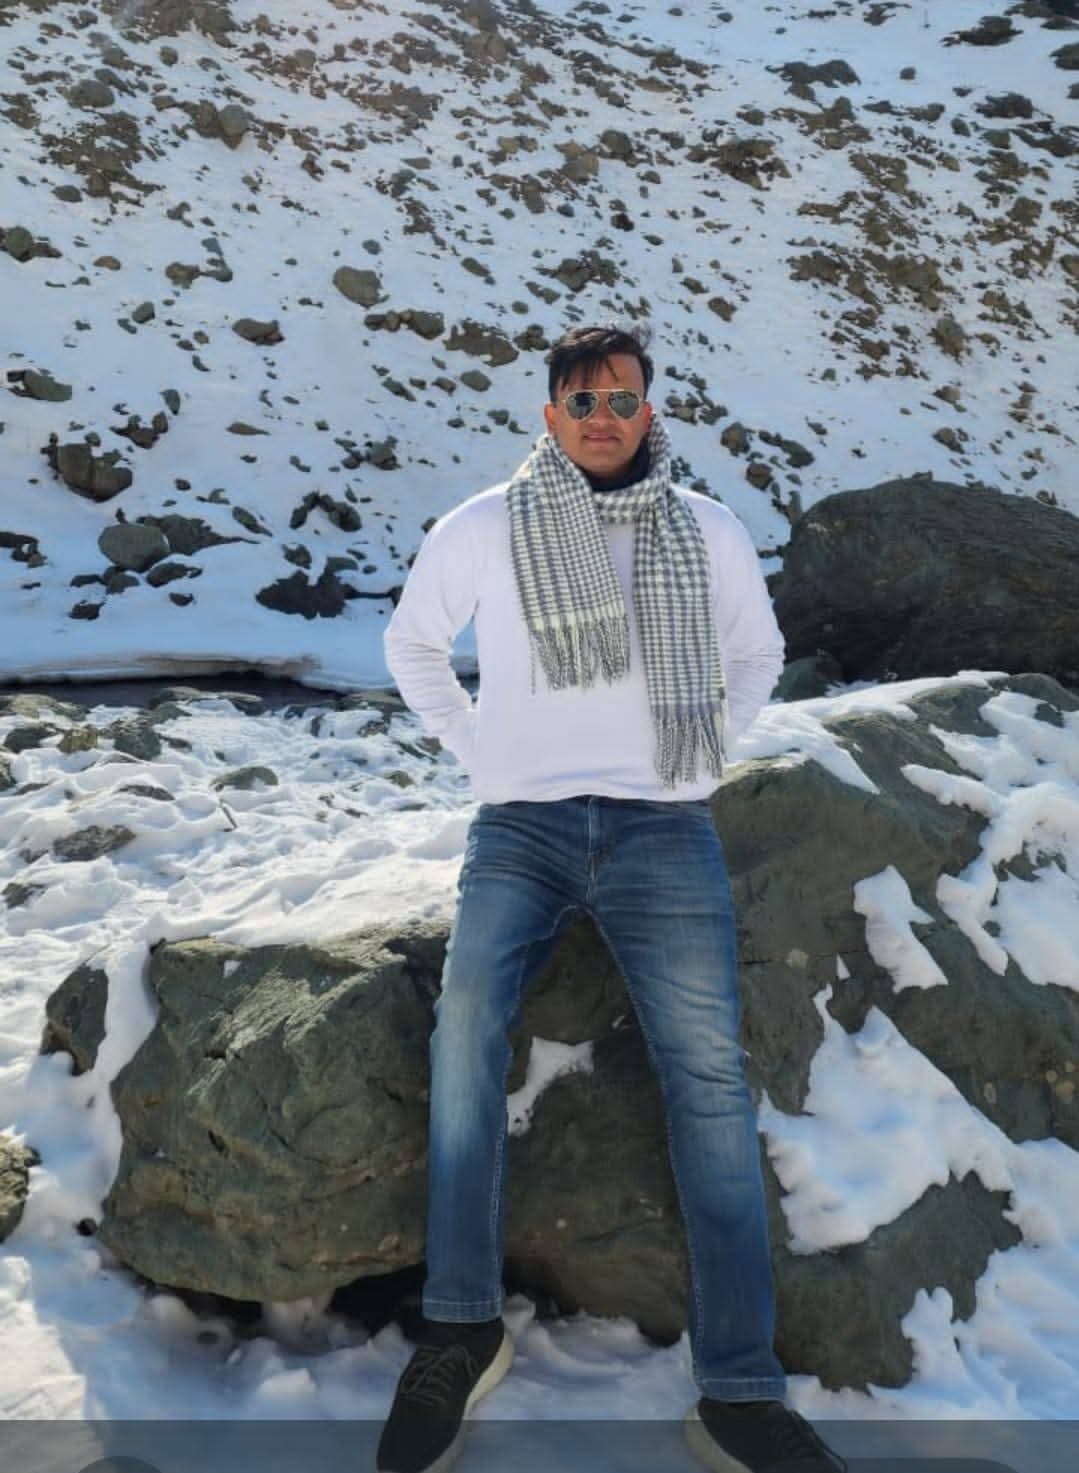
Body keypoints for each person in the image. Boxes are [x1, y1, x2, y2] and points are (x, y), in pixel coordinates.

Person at [378, 324, 844, 1473]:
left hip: (662, 828)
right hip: (520, 828)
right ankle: (461, 1324)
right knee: (462, 1037)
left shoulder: (704, 530)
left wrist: (705, 750)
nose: (601, 417)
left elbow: (756, 655)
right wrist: (481, 754)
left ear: (648, 413)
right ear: (550, 416)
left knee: (708, 1082)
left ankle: (738, 1391)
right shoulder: (485, 525)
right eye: (580, 400)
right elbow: (412, 645)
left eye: (621, 399)